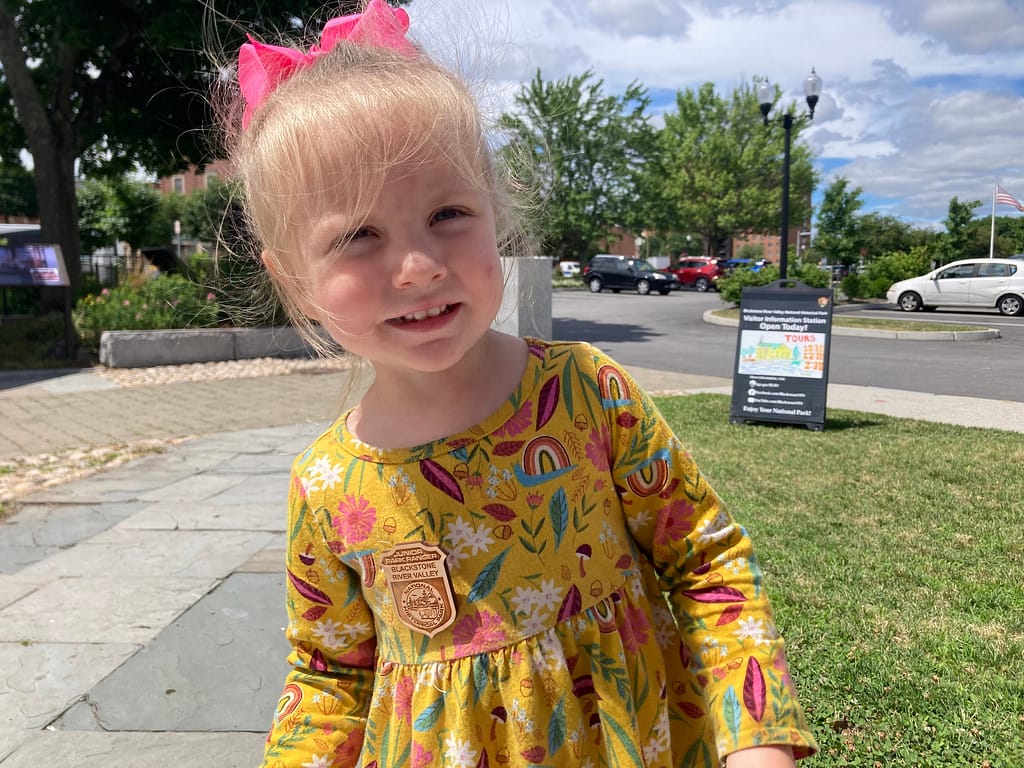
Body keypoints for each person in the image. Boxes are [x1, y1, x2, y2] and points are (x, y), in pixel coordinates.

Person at [221, 2, 819, 766]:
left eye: (448, 213)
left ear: (495, 214)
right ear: (297, 284)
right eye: (357, 237)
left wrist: (756, 737)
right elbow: (329, 676)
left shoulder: (585, 396)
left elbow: (707, 562)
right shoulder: (328, 487)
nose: (419, 266)